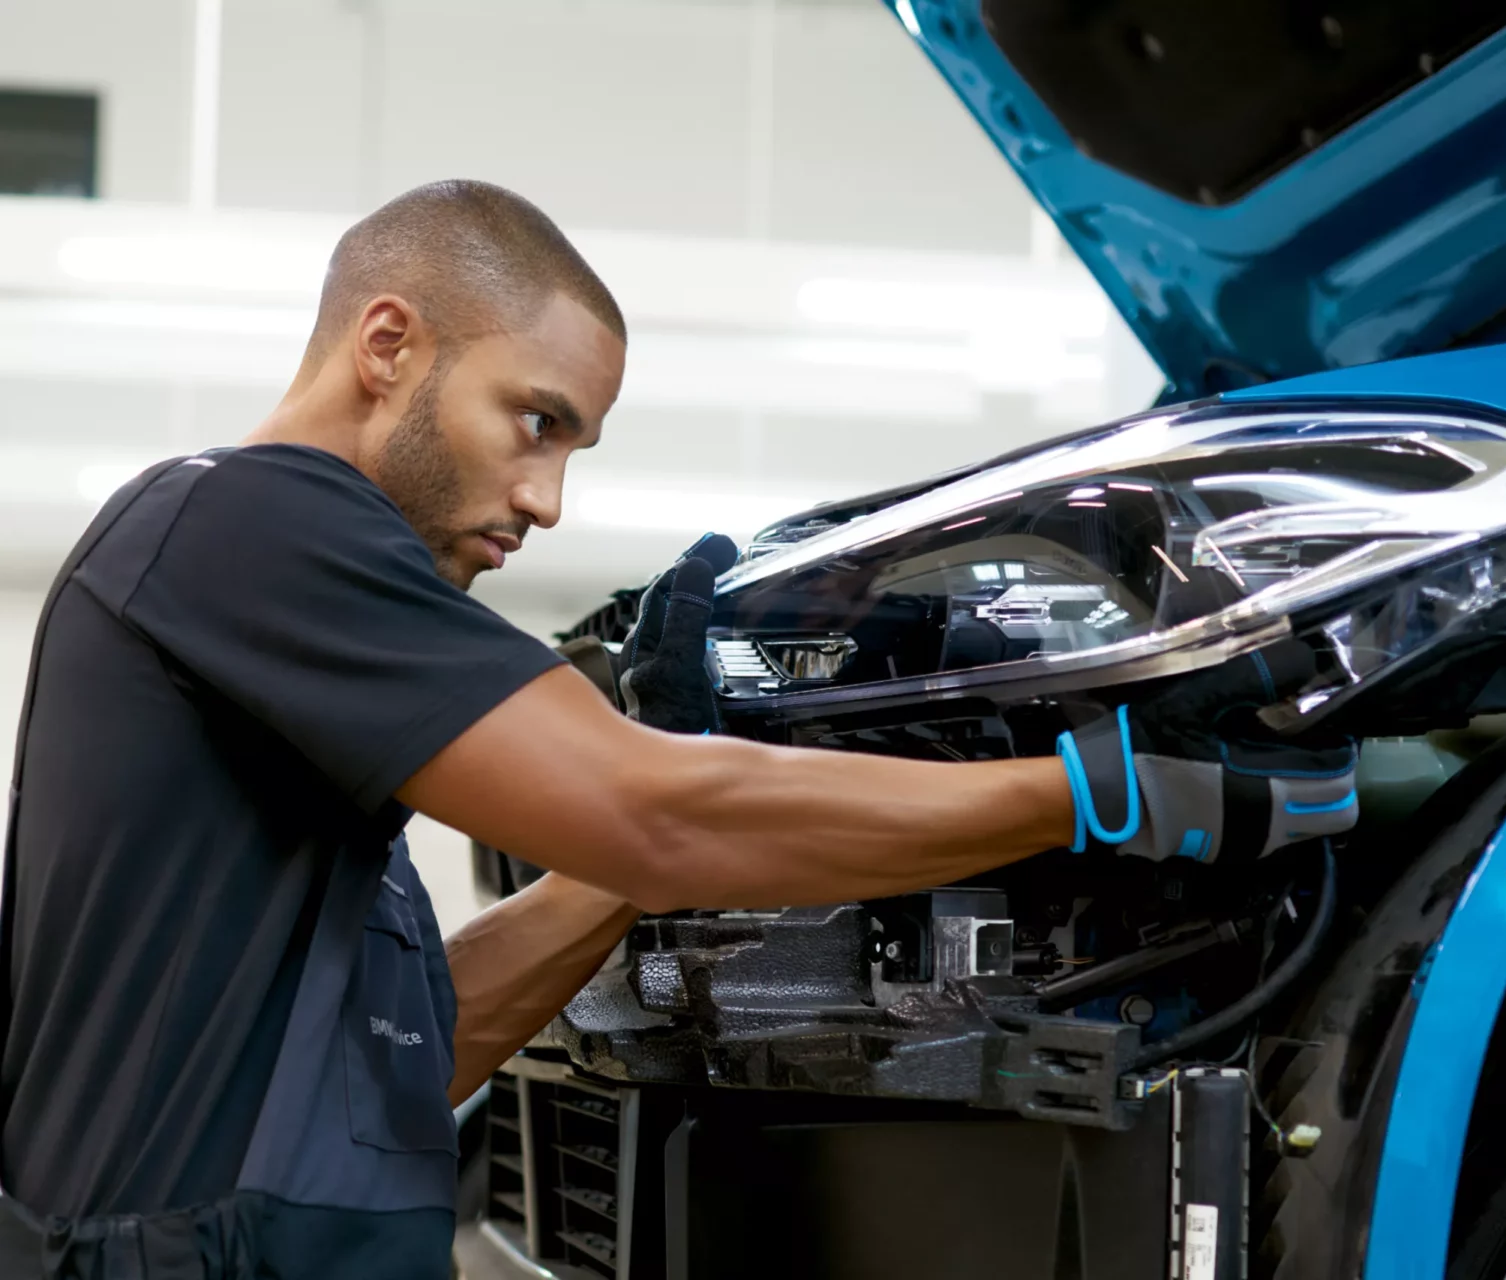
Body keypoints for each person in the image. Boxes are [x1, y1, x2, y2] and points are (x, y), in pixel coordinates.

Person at [0, 180, 1332, 1278]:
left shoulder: (292, 681)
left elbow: (412, 1051)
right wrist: (1102, 792)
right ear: (388, 343)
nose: (548, 498)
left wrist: (670, 832)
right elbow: (660, 811)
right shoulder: (248, 525)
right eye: (535, 423)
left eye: (574, 448)